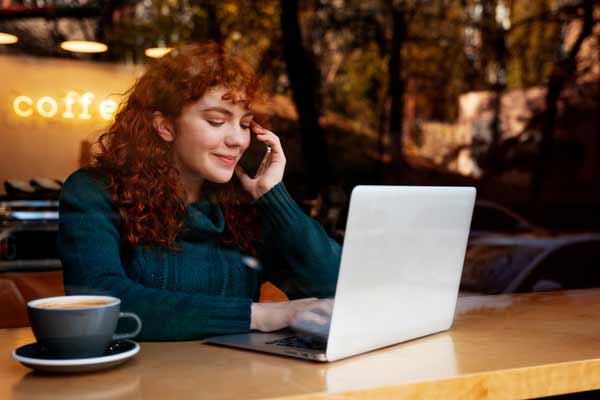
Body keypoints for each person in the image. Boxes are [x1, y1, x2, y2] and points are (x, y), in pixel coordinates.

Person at [58, 42, 341, 341]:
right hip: (133, 382)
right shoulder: (93, 192)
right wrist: (257, 315)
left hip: (237, 380)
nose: (238, 140)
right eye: (217, 121)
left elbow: (335, 286)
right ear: (165, 126)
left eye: (245, 124)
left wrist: (274, 196)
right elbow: (100, 304)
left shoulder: (241, 208)